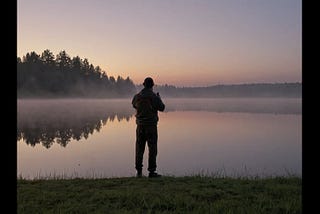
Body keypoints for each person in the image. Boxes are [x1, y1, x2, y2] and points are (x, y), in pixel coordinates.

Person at [132, 77, 165, 178]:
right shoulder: (154, 97)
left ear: (143, 85)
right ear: (152, 85)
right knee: (152, 149)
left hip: (140, 126)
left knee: (139, 149)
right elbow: (162, 108)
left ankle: (139, 171)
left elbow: (134, 105)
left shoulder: (137, 96)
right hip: (151, 126)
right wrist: (159, 98)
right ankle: (151, 171)